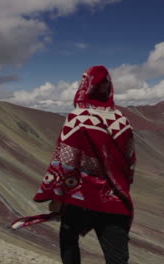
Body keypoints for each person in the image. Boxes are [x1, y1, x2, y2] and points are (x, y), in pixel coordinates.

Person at [33, 65, 136, 264]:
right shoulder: (123, 121)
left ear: (85, 86)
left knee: (69, 243)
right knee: (117, 258)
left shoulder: (77, 119)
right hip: (114, 199)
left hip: (80, 198)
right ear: (108, 88)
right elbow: (129, 163)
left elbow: (65, 161)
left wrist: (57, 196)